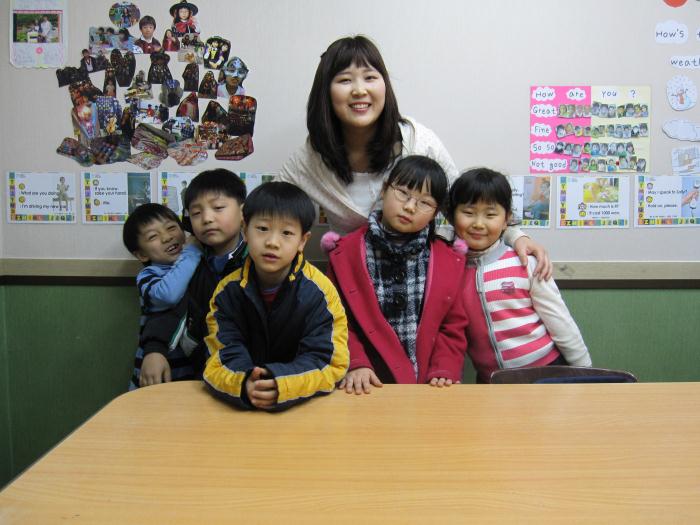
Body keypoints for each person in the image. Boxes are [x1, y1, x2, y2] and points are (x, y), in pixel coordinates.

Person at [278, 35, 552, 278]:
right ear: (325, 92)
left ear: (385, 85)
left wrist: (515, 235)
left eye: (370, 77)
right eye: (345, 80)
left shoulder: (418, 141)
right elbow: (271, 211)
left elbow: (463, 204)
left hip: (419, 284)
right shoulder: (309, 159)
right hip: (353, 287)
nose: (359, 90)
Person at [327, 156, 468, 394]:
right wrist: (356, 363)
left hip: (429, 386)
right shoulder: (346, 254)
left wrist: (444, 368)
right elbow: (336, 319)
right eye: (403, 193)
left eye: (425, 203)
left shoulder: (447, 260)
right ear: (384, 190)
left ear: (435, 213)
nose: (410, 207)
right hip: (365, 385)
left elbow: (452, 326)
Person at [203, 182, 349, 411]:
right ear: (245, 231)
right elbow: (220, 356)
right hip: (241, 409)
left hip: (303, 408)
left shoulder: (321, 292)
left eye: (287, 233)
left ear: (302, 241)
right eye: (262, 228)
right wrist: (244, 382)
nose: (272, 242)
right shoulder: (227, 292)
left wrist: (282, 383)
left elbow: (330, 362)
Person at [447, 168, 591, 383]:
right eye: (468, 213)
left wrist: (585, 371)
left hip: (546, 373)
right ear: (451, 216)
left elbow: (560, 321)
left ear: (506, 219)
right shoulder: (450, 269)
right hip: (491, 382)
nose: (478, 223)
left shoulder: (525, 261)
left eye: (490, 214)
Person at [128, 169, 248, 388]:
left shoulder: (257, 258)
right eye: (196, 213)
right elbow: (173, 306)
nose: (207, 218)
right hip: (194, 372)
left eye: (218, 208)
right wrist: (155, 349)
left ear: (243, 212)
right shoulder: (190, 264)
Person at [123, 204, 203, 387]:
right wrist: (192, 251)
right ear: (142, 254)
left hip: (190, 370)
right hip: (155, 369)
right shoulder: (148, 275)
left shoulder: (198, 266)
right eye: (153, 236)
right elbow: (168, 295)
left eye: (171, 227)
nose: (167, 237)